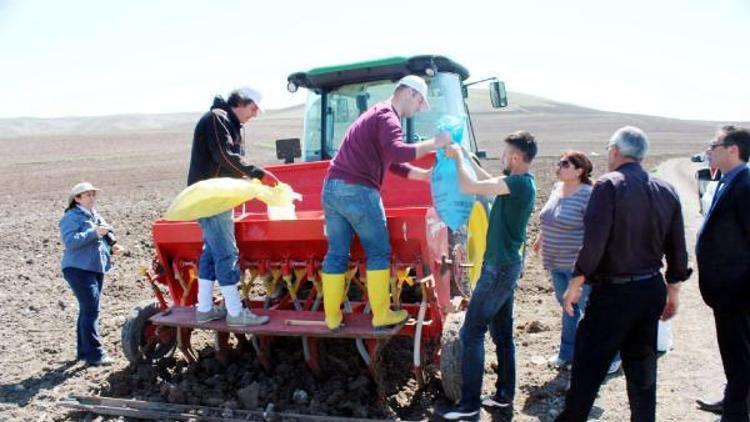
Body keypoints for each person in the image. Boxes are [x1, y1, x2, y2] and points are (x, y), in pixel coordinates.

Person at [556, 126, 691, 422]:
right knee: (642, 370)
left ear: (615, 151)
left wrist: (576, 282)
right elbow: (678, 249)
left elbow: (595, 241)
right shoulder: (666, 189)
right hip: (650, 290)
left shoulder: (609, 185)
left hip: (614, 295)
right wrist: (673, 291)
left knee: (588, 367)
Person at [321, 75, 452, 331]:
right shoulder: (388, 117)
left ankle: (332, 318)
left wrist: (424, 176)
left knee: (337, 253)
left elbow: (393, 163)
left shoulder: (375, 115)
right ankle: (381, 314)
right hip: (358, 190)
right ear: (410, 94)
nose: (417, 110)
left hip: (332, 189)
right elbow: (397, 151)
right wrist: (434, 144)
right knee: (378, 252)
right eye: (419, 104)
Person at [437, 131, 537, 421]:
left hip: (497, 271)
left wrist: (457, 162)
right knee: (503, 335)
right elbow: (486, 182)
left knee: (472, 332)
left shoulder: (517, 184)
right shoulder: (521, 183)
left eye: (506, 154)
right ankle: (504, 397)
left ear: (516, 158)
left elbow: (471, 187)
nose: (502, 157)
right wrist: (468, 158)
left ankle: (468, 405)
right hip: (507, 266)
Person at [188, 87, 277, 326]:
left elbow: (226, 162)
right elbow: (224, 156)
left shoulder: (228, 123)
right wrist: (258, 174)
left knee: (211, 252)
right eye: (253, 108)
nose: (254, 114)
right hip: (212, 197)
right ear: (239, 102)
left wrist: (247, 183)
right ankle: (236, 313)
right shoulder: (218, 118)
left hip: (212, 196)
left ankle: (205, 308)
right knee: (227, 253)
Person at [696, 125, 750, 422]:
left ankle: (736, 414)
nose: (708, 150)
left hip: (737, 291)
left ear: (733, 149)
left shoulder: (745, 184)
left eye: (713, 144)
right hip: (728, 289)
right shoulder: (729, 180)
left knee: (737, 354)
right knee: (736, 351)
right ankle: (734, 399)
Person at [60, 182, 124, 366]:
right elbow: (70, 242)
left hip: (95, 267)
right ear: (77, 199)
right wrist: (93, 232)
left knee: (87, 310)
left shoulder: (94, 214)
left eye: (92, 194)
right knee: (91, 310)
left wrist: (112, 246)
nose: (91, 197)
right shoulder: (71, 217)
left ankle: (83, 352)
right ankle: (95, 354)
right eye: (87, 195)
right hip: (78, 269)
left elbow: (104, 234)